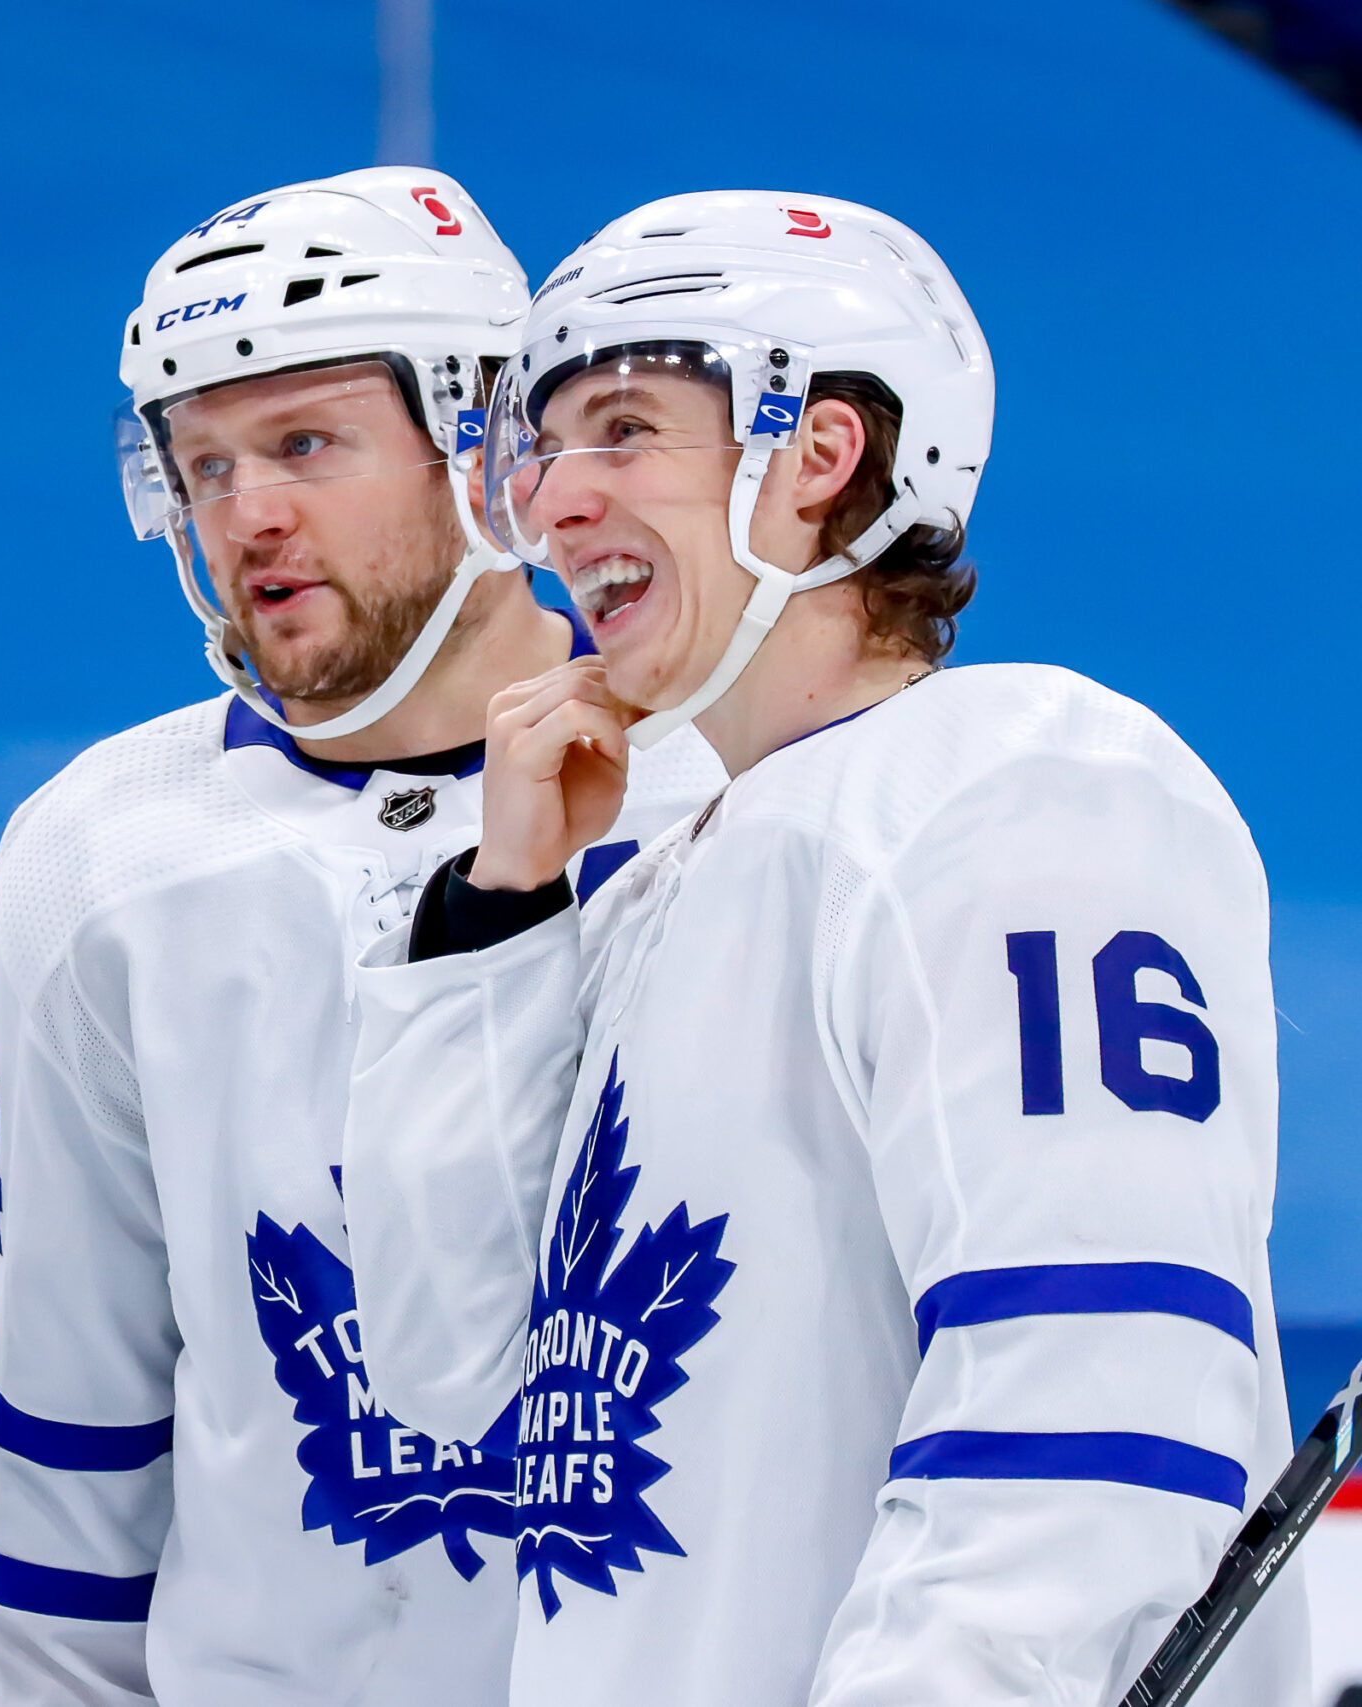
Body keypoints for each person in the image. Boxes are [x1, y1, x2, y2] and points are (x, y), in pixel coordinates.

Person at [340, 190, 1309, 1703]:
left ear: (822, 450)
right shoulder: (664, 890)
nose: (552, 505)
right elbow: (446, 1373)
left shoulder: (1027, 786)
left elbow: (1091, 1407)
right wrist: (504, 909)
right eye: (544, 447)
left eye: (622, 425)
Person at [0, 168, 724, 1705]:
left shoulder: (726, 795)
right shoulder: (101, 848)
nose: (250, 516)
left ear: (482, 445)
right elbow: (76, 1417)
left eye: (307, 442)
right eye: (205, 465)